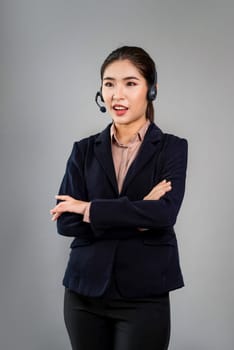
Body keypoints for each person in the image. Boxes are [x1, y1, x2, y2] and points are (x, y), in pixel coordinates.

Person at [50, 45, 188, 350]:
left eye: (130, 83)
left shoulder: (171, 149)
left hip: (144, 295)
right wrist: (138, 216)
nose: (117, 94)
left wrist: (88, 208)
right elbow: (66, 223)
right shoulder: (83, 150)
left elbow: (163, 215)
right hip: (83, 294)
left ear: (151, 90)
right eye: (109, 83)